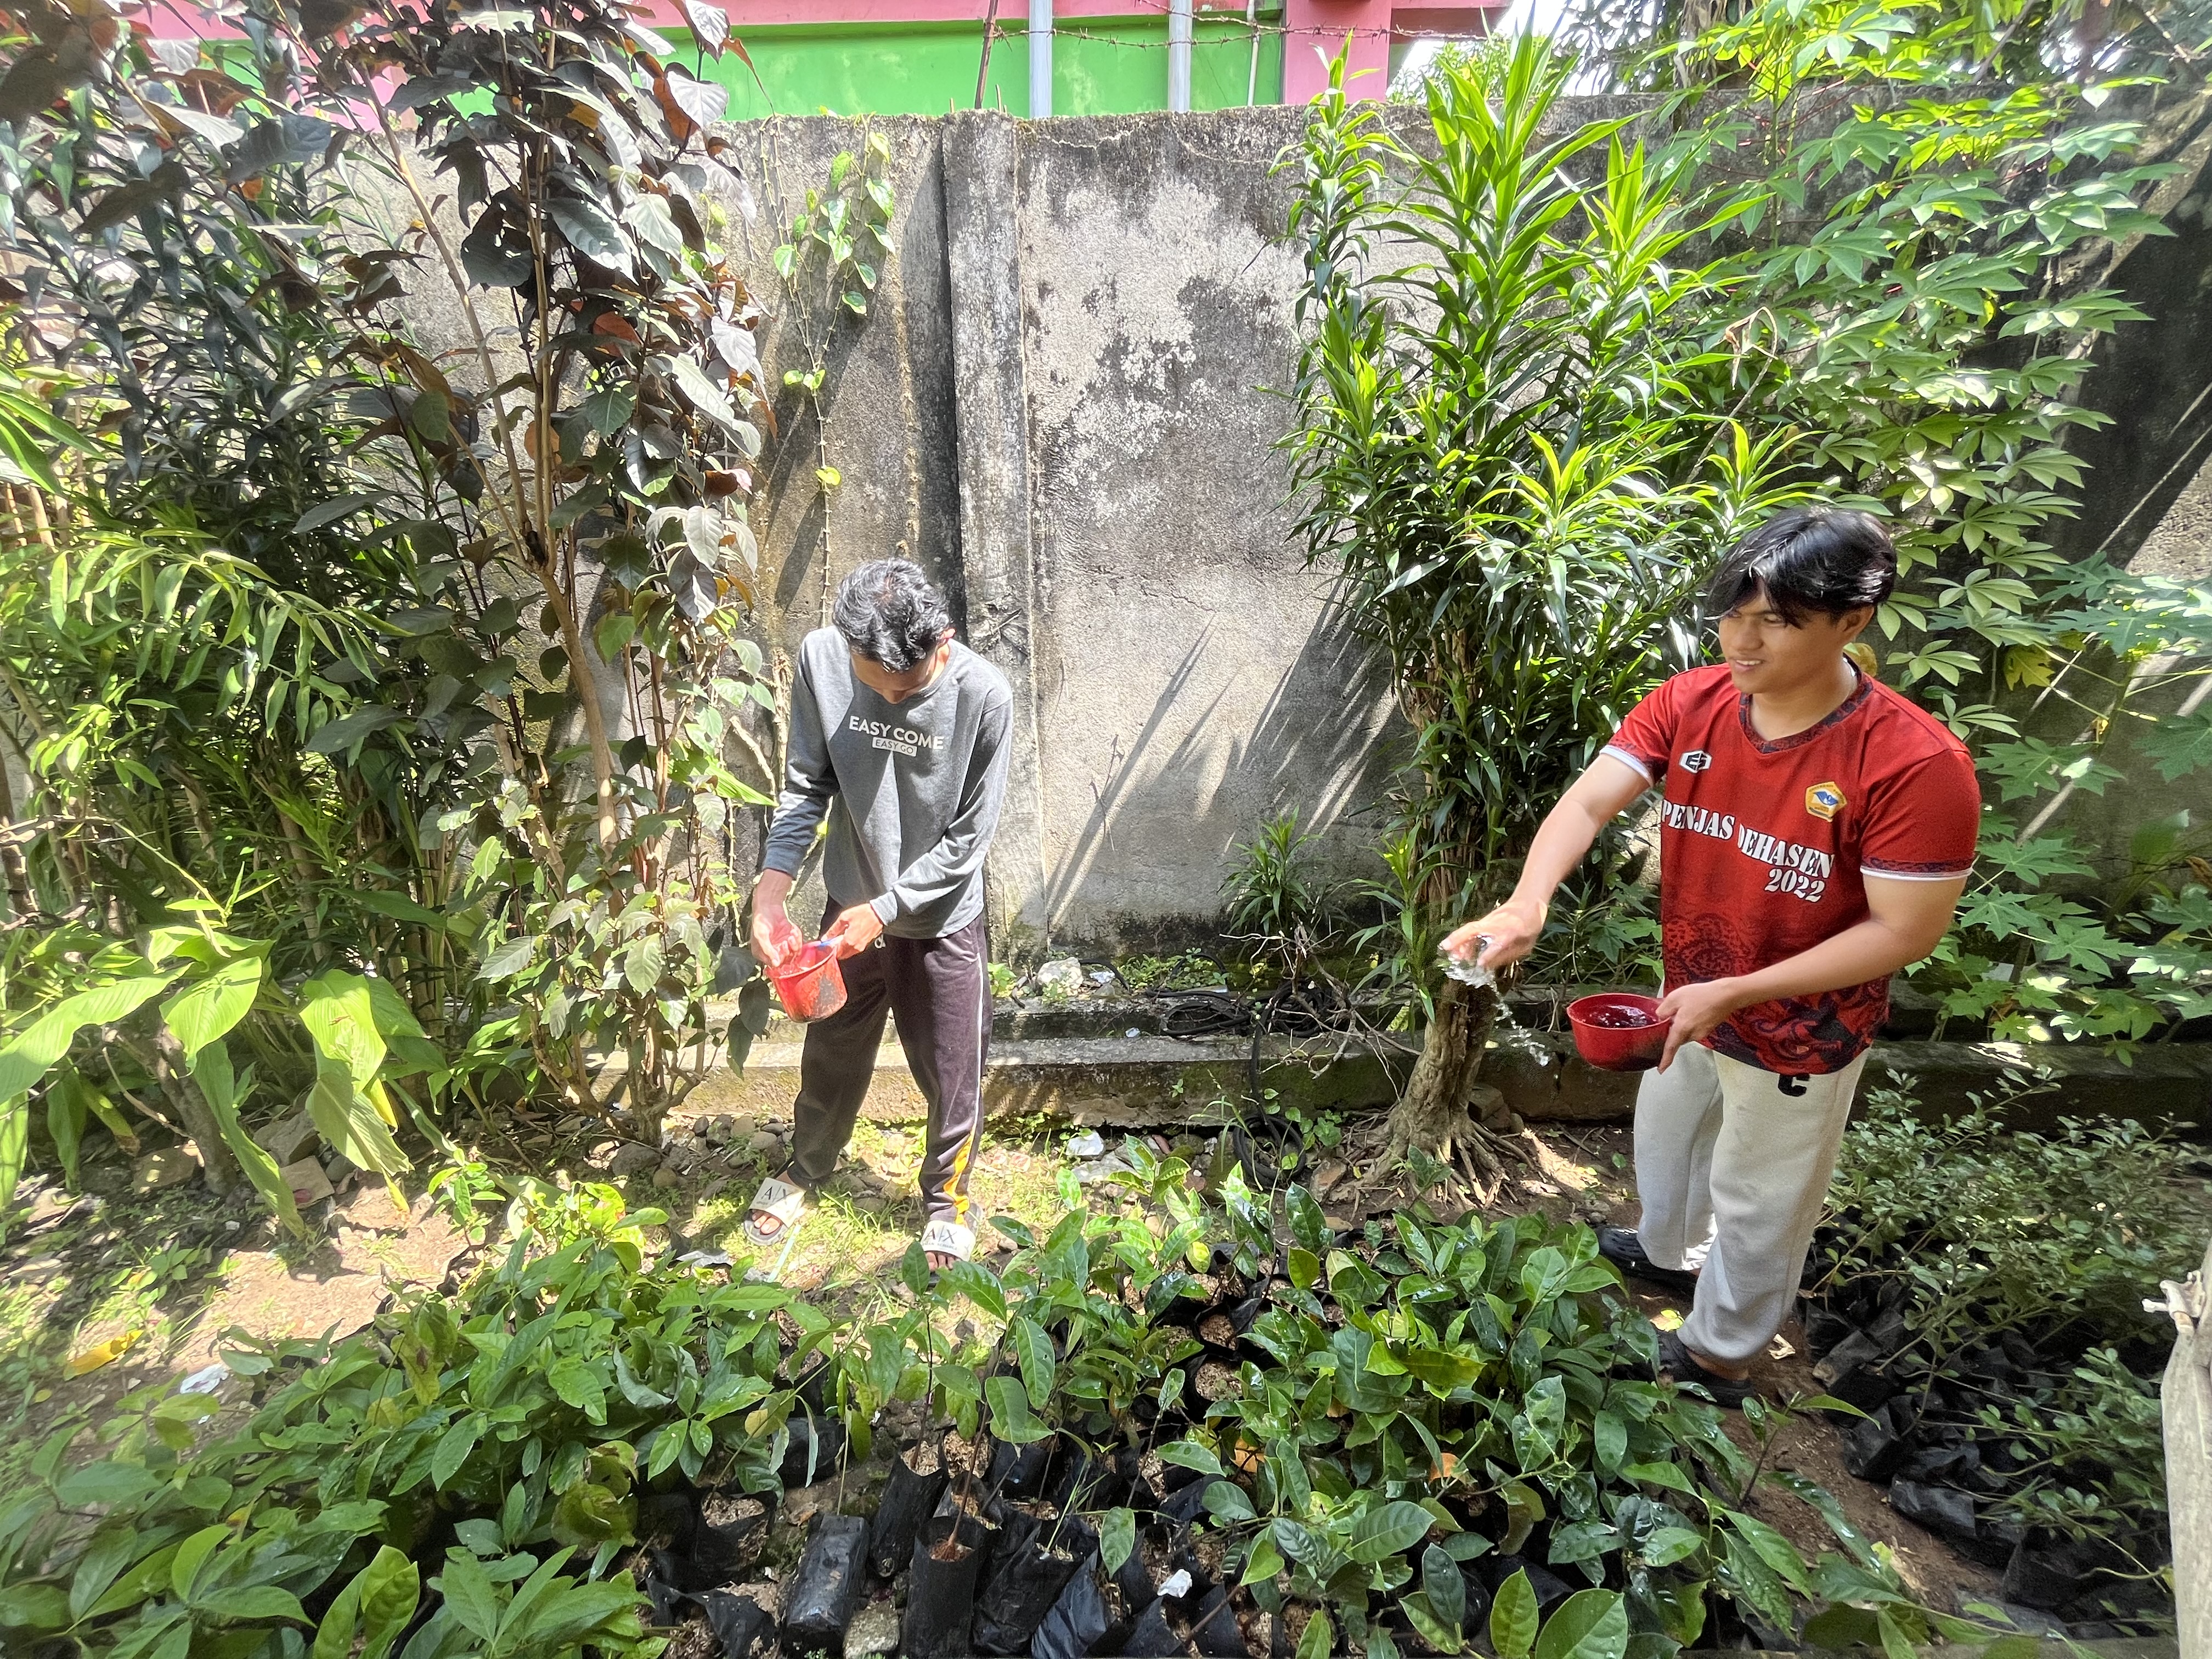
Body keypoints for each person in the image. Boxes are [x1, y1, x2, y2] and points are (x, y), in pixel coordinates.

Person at [1443, 507, 1980, 1406]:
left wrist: (1741, 991)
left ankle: (1723, 1352)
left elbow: (1905, 932)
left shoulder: (1914, 763)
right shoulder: (1692, 701)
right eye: (1734, 611)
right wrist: (1527, 901)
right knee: (1667, 1134)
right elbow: (1585, 806)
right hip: (1691, 992)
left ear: (1853, 622)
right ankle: (1668, 1255)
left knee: (1763, 1193)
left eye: (1777, 620)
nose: (1743, 638)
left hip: (1801, 1026)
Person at [746, 558, 1013, 1273]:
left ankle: (945, 1200)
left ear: (944, 644)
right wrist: (770, 891)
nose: (895, 696)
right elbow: (807, 785)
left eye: (912, 685)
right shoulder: (823, 661)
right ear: (850, 652)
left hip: (942, 920)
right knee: (831, 1051)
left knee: (952, 1069)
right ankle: (805, 1168)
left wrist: (888, 910)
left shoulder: (985, 696)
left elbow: (967, 843)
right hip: (847, 905)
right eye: (880, 683)